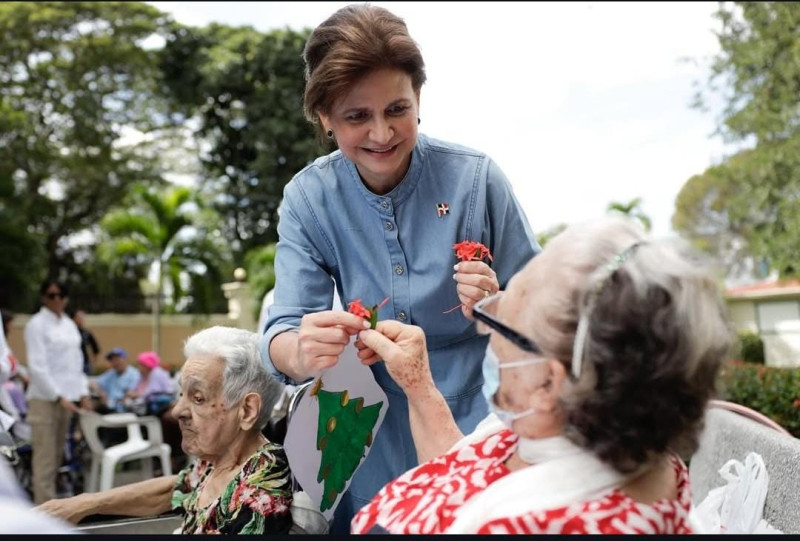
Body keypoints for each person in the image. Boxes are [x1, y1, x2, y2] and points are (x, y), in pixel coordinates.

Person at [261, 4, 540, 530]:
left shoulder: (476, 180)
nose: (382, 134)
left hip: (480, 422)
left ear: (419, 98)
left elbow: (550, 316)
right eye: (356, 117)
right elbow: (281, 329)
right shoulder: (308, 199)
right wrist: (302, 350)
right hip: (367, 438)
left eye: (397, 109)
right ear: (324, 118)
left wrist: (500, 303)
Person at [350, 216, 733, 534]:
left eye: (500, 319)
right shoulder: (611, 435)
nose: (488, 332)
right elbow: (463, 477)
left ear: (549, 383)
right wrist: (418, 385)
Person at [36, 326, 295, 534]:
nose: (177, 411)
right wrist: (85, 503)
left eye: (198, 398)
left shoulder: (261, 491)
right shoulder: (218, 460)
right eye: (182, 394)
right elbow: (174, 488)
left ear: (247, 410)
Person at [24, 279, 92, 505]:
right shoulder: (36, 324)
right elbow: (37, 366)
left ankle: (51, 509)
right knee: (44, 459)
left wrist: (83, 392)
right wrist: (58, 396)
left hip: (68, 399)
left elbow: (77, 363)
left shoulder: (69, 325)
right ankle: (43, 514)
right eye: (51, 295)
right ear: (44, 297)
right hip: (45, 399)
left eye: (60, 295)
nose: (56, 299)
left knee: (56, 457)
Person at [90, 347, 140, 413]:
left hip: (125, 409)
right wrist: (101, 392)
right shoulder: (111, 373)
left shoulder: (134, 374)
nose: (115, 362)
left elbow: (131, 393)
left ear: (125, 359)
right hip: (108, 407)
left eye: (117, 359)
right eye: (112, 360)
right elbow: (93, 383)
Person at [125, 350, 175, 415]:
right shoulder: (141, 376)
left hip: (155, 407)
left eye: (141, 365)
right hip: (142, 406)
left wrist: (137, 395)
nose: (138, 367)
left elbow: (154, 393)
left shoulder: (157, 373)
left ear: (147, 365)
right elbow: (133, 390)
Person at [72, 310, 100, 376]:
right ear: (74, 318)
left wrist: (93, 364)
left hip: (85, 363)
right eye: (79, 317)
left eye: (82, 317)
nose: (81, 319)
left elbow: (95, 348)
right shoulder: (68, 332)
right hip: (72, 363)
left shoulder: (86, 333)